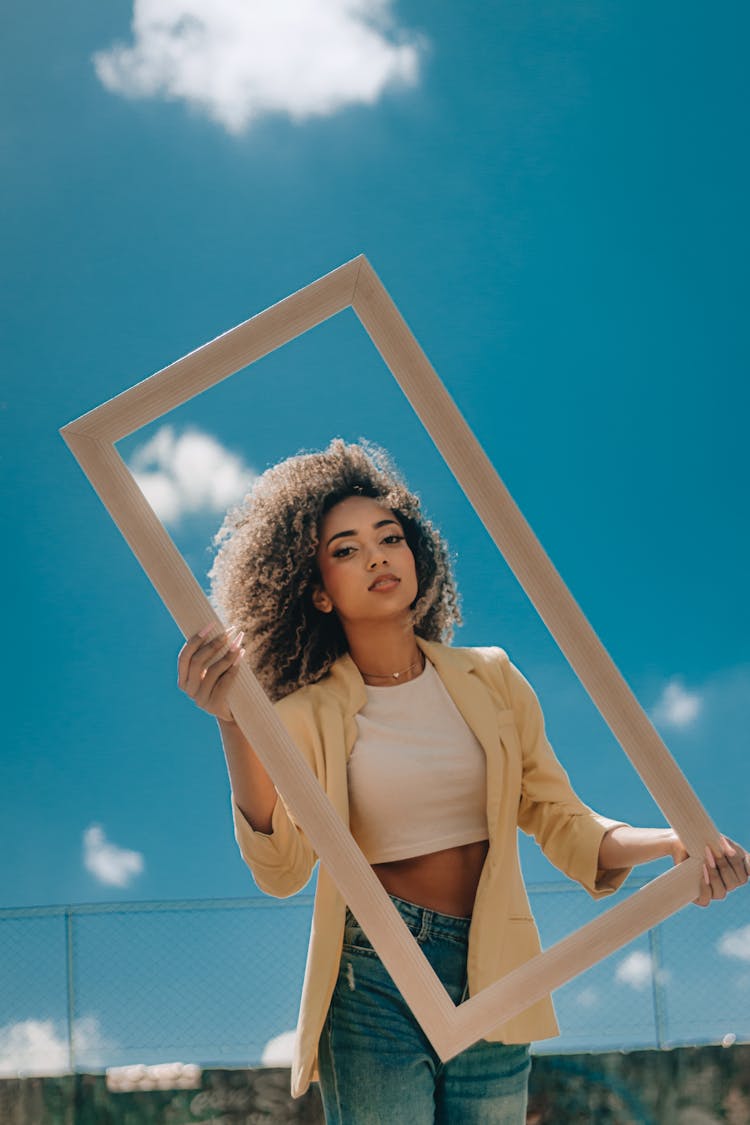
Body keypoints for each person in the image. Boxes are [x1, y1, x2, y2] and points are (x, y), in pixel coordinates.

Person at [177, 439, 747, 1124]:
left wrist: (673, 845)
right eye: (347, 549)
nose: (379, 555)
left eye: (390, 536)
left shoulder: (494, 678)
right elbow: (281, 867)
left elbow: (560, 817)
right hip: (372, 976)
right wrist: (235, 722)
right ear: (318, 592)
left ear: (419, 553)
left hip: (497, 966)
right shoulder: (301, 716)